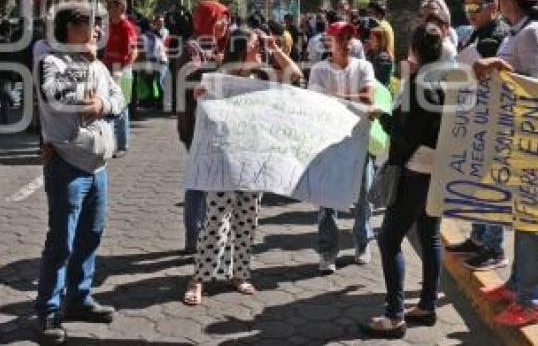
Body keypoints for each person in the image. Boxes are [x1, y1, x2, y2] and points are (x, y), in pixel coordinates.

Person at [182, 27, 301, 307]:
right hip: (224, 163)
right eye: (255, 45)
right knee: (216, 220)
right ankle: (198, 278)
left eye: (261, 46)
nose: (260, 49)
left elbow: (295, 74)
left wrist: (275, 48)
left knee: (247, 220)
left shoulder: (263, 78)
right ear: (239, 49)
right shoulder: (220, 78)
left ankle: (239, 274)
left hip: (254, 164)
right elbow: (200, 103)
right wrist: (203, 93)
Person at [474, 0, 538, 327]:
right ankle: (518, 285)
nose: (497, 2)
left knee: (531, 221)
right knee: (520, 217)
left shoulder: (534, 34)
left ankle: (532, 300)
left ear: (512, 0)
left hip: (536, 137)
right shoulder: (523, 30)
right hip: (522, 136)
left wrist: (498, 67)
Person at [34, 4, 125, 345]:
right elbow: (57, 97)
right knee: (61, 242)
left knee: (91, 235)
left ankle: (79, 298)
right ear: (68, 29)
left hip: (98, 165)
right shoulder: (52, 62)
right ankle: (47, 310)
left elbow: (118, 100)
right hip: (67, 164)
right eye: (89, 24)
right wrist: (81, 71)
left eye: (99, 25)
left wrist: (102, 105)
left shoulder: (97, 64)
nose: (97, 31)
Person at [361, 23, 447, 338]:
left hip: (414, 170)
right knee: (430, 235)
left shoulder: (419, 84)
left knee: (388, 239)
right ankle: (426, 305)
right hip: (436, 169)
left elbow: (404, 133)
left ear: (413, 50)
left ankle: (395, 315)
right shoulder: (445, 79)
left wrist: (380, 116)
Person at [445, 0, 511, 272]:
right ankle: (477, 237)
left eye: (476, 7)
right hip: (476, 116)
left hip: (493, 120)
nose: (470, 13)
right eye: (467, 7)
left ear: (493, 6)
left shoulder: (498, 35)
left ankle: (493, 247)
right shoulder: (478, 32)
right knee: (477, 180)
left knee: (489, 184)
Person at [308, 21, 376, 274]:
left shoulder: (364, 66)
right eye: (341, 37)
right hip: (328, 142)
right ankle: (327, 251)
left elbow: (369, 98)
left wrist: (333, 99)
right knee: (326, 200)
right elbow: (315, 104)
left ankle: (362, 243)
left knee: (363, 197)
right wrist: (351, 100)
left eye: (350, 37)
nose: (347, 42)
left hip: (359, 141)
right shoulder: (318, 70)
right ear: (330, 41)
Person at [176, 0, 230, 253]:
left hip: (214, 126)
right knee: (198, 181)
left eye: (227, 19)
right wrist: (219, 64)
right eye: (220, 18)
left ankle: (207, 233)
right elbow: (190, 75)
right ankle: (193, 235)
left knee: (209, 181)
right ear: (207, 20)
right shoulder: (192, 47)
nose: (225, 24)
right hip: (196, 124)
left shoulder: (217, 46)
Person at [101, 0, 137, 159]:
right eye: (108, 7)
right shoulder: (109, 26)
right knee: (108, 106)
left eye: (111, 7)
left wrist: (121, 70)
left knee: (121, 108)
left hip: (121, 72)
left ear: (121, 9)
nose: (109, 10)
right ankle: (107, 142)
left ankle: (123, 145)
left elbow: (133, 52)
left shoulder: (127, 27)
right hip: (108, 70)